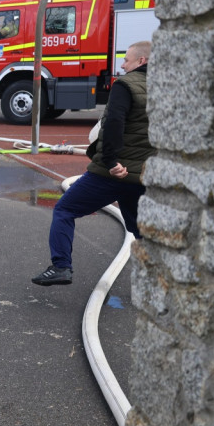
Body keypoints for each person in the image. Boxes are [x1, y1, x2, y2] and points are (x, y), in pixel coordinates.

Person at [31, 40, 156, 286]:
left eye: (127, 60)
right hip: (143, 175)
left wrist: (110, 161)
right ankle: (153, 282)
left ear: (142, 61)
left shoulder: (126, 85)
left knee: (65, 210)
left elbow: (112, 124)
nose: (123, 64)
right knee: (141, 229)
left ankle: (61, 267)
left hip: (112, 173)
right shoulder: (169, 87)